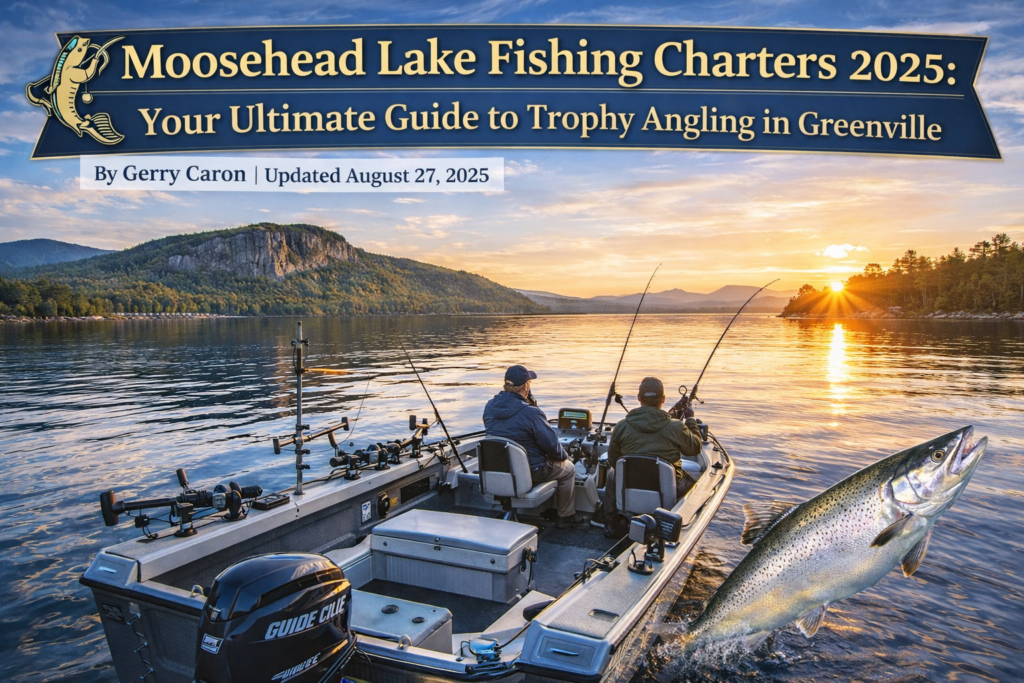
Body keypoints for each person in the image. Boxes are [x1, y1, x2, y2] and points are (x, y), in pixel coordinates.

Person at [483, 364, 585, 528]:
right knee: (568, 469)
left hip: (498, 469)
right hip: (532, 471)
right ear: (525, 386)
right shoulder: (531, 412)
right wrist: (566, 457)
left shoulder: (489, 406)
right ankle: (565, 516)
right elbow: (552, 447)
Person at [602, 376, 702, 538]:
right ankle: (680, 523)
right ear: (663, 399)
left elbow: (614, 460)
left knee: (613, 474)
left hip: (630, 483)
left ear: (639, 398)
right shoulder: (676, 427)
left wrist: (674, 411)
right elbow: (695, 448)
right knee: (699, 483)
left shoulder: (621, 426)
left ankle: (612, 523)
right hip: (669, 487)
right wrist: (690, 419)